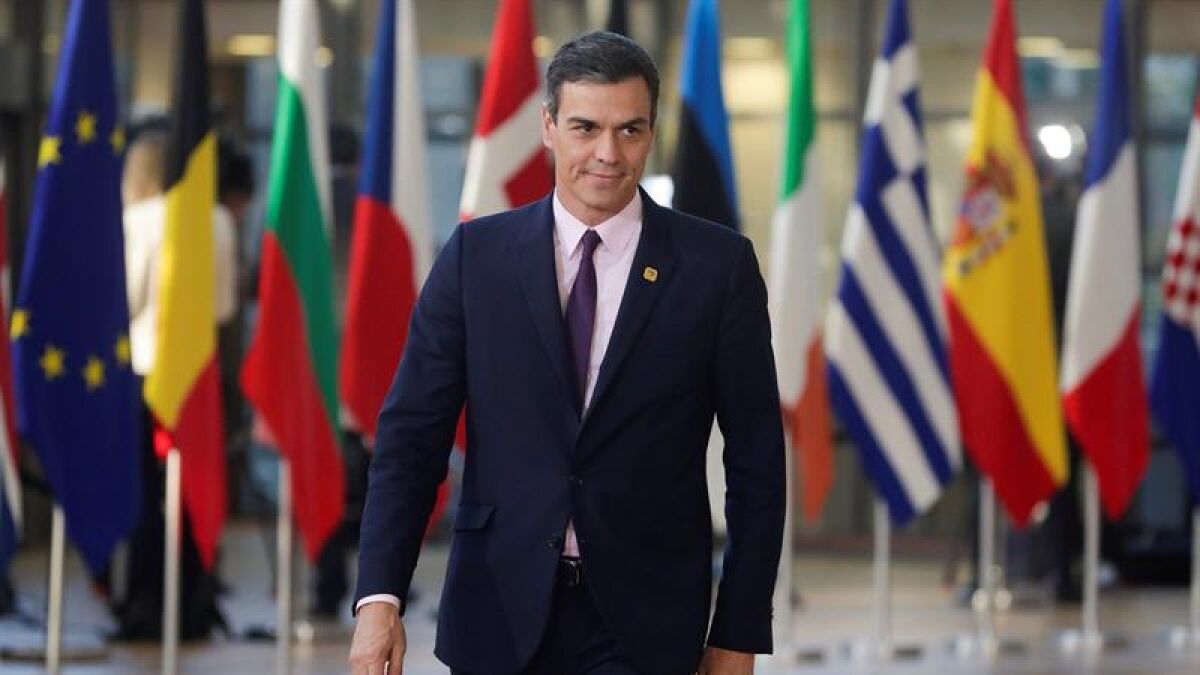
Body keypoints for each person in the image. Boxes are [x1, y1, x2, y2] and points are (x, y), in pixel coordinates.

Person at [349, 31, 785, 675]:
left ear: (652, 132)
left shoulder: (716, 268)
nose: (608, 153)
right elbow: (411, 439)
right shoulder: (475, 260)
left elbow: (757, 463)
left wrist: (738, 630)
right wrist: (379, 599)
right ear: (549, 126)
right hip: (497, 612)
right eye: (586, 128)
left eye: (630, 130)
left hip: (647, 623)